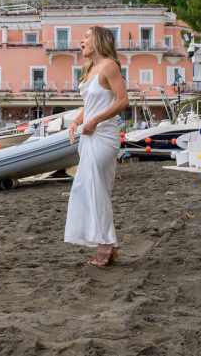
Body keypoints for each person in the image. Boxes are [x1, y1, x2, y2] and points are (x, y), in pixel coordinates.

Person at [65, 26, 129, 268]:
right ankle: (103, 242)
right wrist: (78, 120)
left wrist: (94, 120)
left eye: (86, 37)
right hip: (88, 135)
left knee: (97, 188)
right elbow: (91, 102)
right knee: (86, 189)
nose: (81, 41)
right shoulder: (89, 69)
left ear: (98, 41)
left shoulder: (109, 66)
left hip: (104, 136)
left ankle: (106, 245)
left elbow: (123, 100)